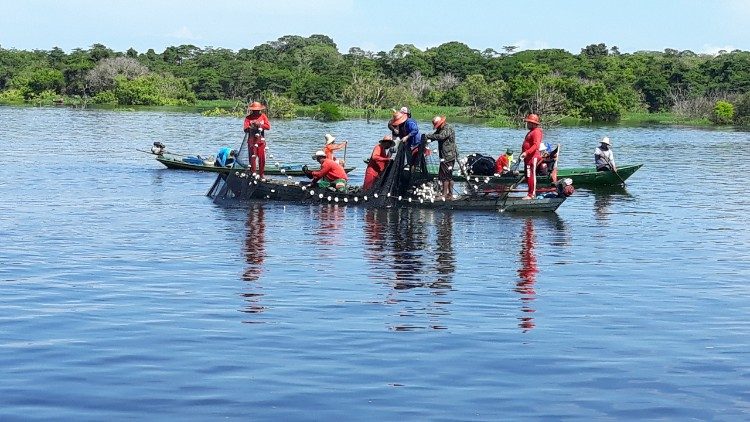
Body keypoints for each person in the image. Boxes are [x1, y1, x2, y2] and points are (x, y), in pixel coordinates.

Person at [424, 115, 457, 199]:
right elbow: (435, 136)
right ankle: (449, 194)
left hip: (448, 155)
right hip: (445, 155)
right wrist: (426, 139)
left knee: (445, 175)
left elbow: (441, 136)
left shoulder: (447, 128)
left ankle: (445, 194)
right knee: (448, 175)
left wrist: (428, 136)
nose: (437, 127)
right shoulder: (440, 129)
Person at [243, 101, 272, 178]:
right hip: (252, 141)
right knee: (252, 158)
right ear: (252, 110)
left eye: (258, 110)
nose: (256, 111)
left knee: (262, 158)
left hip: (261, 140)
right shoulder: (248, 118)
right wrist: (251, 127)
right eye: (254, 110)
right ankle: (253, 173)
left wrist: (259, 125)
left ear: (260, 110)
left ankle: (261, 174)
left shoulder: (263, 116)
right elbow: (245, 129)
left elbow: (268, 127)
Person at [519, 113, 543, 200]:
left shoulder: (536, 132)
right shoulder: (531, 132)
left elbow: (536, 145)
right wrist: (523, 153)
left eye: (529, 122)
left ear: (533, 123)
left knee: (531, 175)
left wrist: (527, 152)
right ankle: (530, 193)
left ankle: (531, 195)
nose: (527, 124)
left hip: (532, 157)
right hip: (527, 158)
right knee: (528, 176)